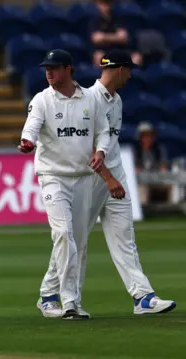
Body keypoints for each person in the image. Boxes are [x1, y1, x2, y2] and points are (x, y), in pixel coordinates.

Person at [38, 50, 176, 318]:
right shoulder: (88, 99)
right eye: (129, 70)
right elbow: (87, 149)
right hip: (93, 180)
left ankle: (143, 297)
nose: (131, 75)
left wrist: (116, 177)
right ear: (120, 69)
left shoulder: (117, 100)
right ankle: (51, 293)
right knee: (75, 240)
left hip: (116, 179)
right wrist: (108, 178)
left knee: (125, 240)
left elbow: (108, 144)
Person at [19, 49, 110, 320]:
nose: (49, 72)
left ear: (69, 69)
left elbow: (103, 131)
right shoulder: (42, 99)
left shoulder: (90, 99)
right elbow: (32, 126)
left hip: (83, 178)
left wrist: (101, 151)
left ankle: (48, 294)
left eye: (55, 68)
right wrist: (28, 141)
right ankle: (70, 303)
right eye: (46, 68)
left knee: (76, 242)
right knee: (63, 234)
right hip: (53, 177)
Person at [89, 0, 142, 67]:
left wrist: (104, 38)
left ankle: (131, 76)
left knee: (137, 57)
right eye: (102, 4)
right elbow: (97, 39)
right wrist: (116, 37)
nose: (105, 7)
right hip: (106, 55)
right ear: (97, 5)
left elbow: (124, 38)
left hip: (122, 53)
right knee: (98, 56)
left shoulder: (119, 19)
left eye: (107, 4)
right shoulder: (94, 21)